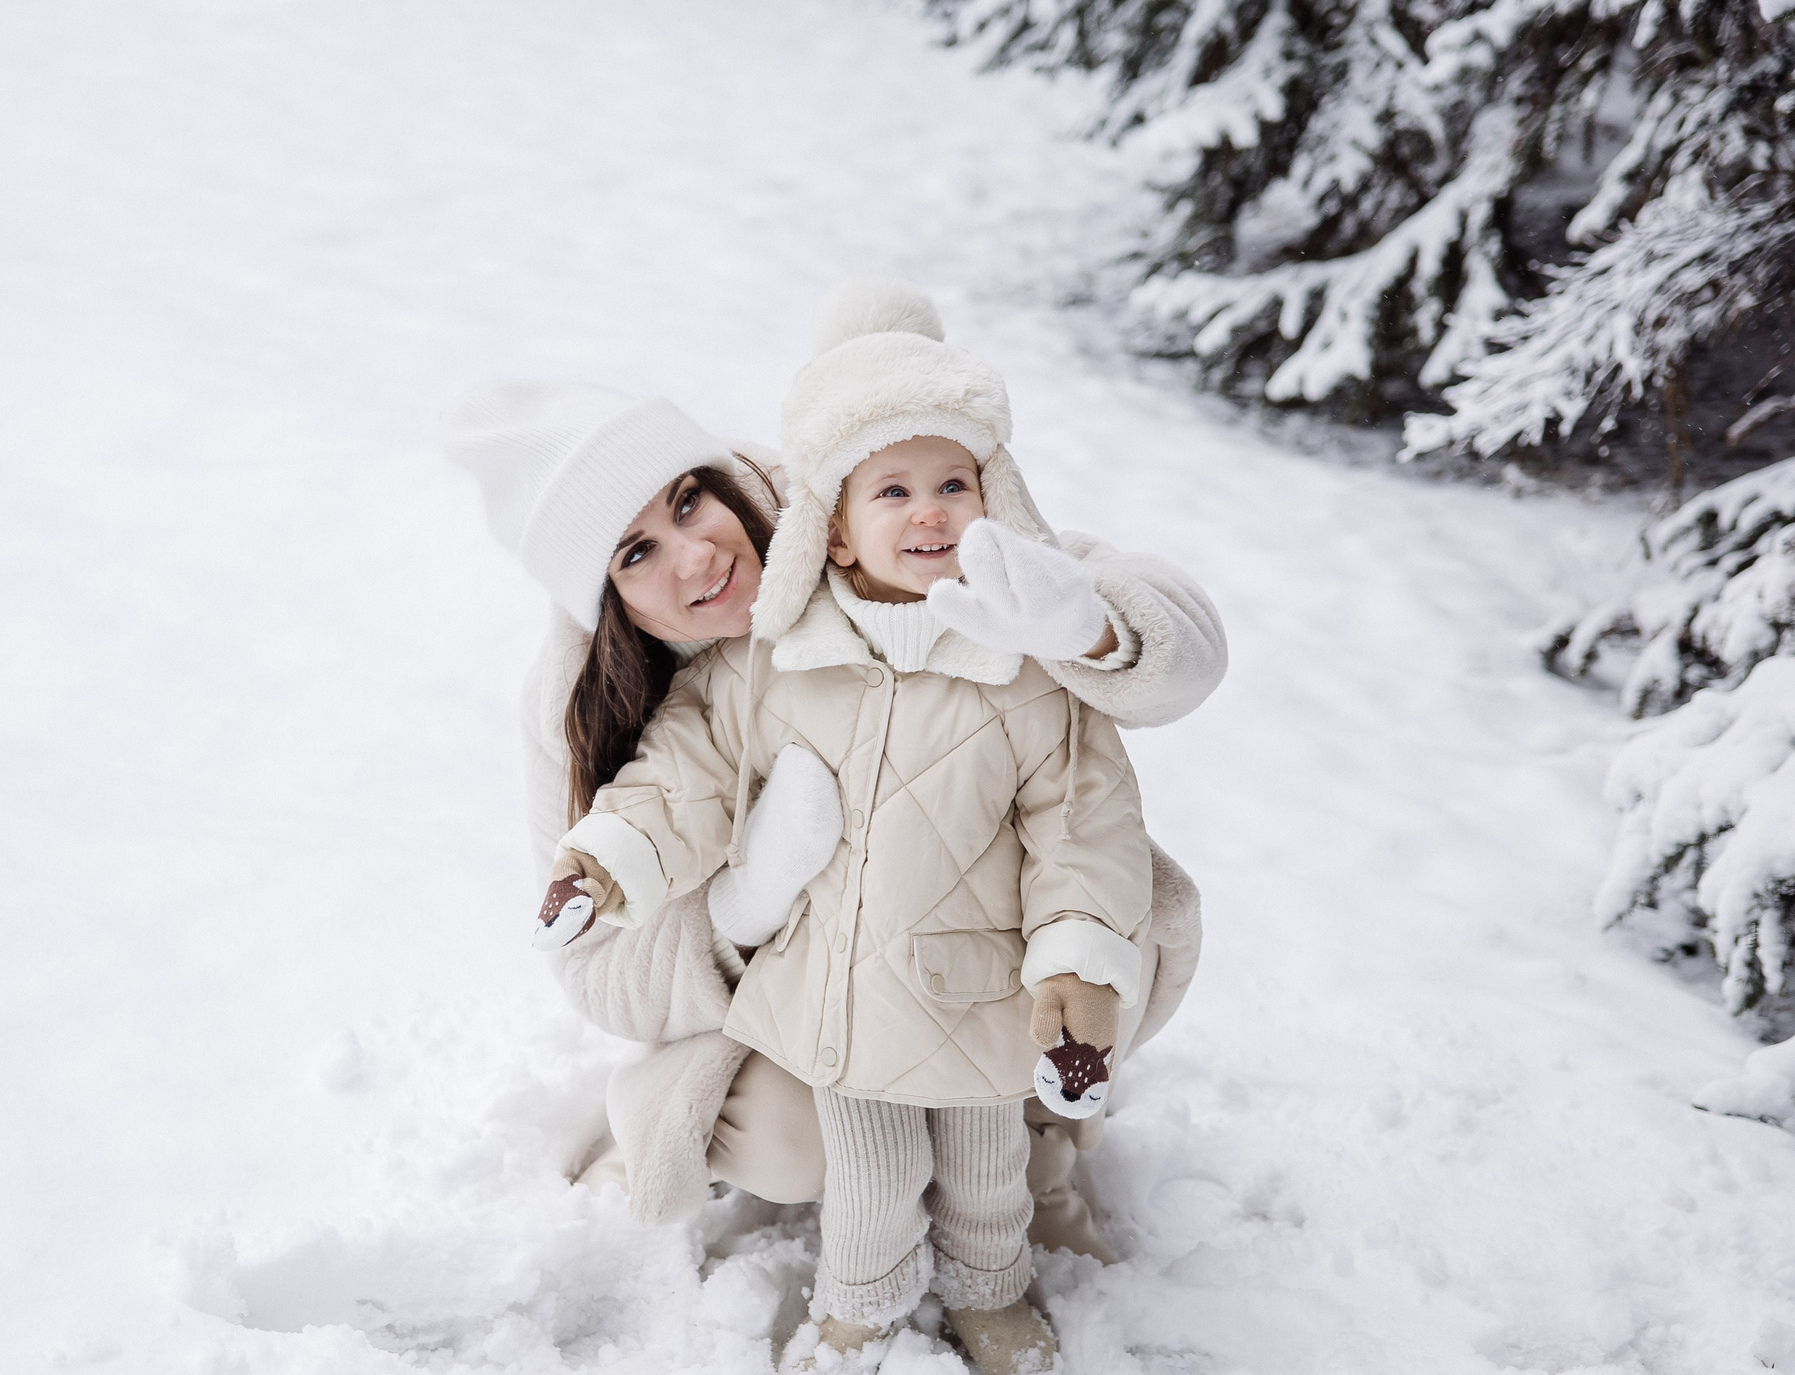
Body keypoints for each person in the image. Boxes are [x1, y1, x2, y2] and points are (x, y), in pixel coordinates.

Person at [445, 287, 1225, 1275]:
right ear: (603, 603)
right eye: (636, 553)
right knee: (802, 1139)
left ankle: (1031, 1137)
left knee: (1103, 921)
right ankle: (743, 1171)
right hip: (796, 997)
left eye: (689, 501)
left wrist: (1089, 625)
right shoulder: (578, 706)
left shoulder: (882, 495)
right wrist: (744, 903)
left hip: (972, 936)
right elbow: (599, 969)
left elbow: (1184, 651)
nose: (695, 556)